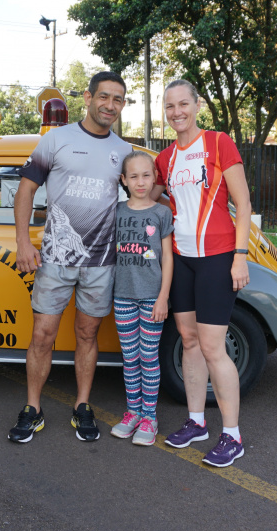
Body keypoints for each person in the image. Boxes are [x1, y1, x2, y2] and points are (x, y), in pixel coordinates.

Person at [8, 71, 132, 443]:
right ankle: (33, 408)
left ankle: (82, 406)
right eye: (104, 97)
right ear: (88, 97)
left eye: (118, 100)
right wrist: (23, 243)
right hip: (55, 260)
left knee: (87, 334)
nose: (110, 105)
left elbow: (146, 193)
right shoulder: (57, 139)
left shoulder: (124, 152)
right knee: (43, 335)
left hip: (100, 263)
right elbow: (26, 190)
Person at [153, 79, 252, 467]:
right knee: (189, 341)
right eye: (170, 106)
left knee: (213, 347)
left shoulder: (218, 143)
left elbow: (243, 204)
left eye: (183, 104)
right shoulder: (165, 159)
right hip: (181, 259)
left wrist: (240, 257)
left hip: (217, 257)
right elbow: (154, 192)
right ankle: (197, 422)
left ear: (196, 105)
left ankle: (232, 434)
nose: (177, 112)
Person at [108, 151, 174, 446]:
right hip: (122, 296)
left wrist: (163, 298)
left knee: (148, 357)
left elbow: (168, 259)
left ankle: (150, 416)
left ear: (155, 178)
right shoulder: (117, 211)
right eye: (133, 176)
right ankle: (132, 412)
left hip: (151, 298)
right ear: (123, 180)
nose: (140, 181)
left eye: (146, 175)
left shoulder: (161, 213)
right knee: (130, 358)